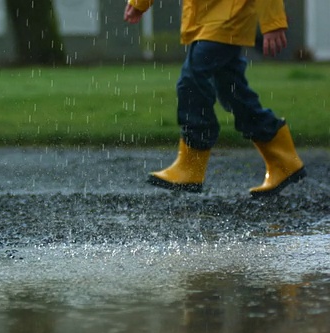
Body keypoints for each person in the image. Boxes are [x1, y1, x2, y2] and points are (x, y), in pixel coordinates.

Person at [124, 0, 306, 197]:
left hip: (229, 17)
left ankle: (193, 158)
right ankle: (281, 159)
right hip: (203, 18)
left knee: (192, 79)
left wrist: (273, 23)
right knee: (233, 92)